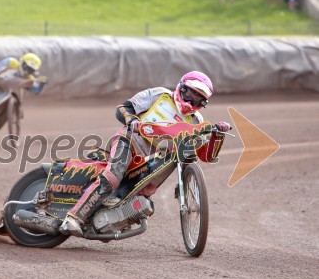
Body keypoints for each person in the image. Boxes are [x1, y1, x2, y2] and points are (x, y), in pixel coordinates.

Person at [59, 71, 231, 236]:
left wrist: (217, 135)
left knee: (145, 199)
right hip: (129, 141)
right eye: (191, 94)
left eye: (198, 98)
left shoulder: (196, 121)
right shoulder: (160, 95)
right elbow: (124, 108)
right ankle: (73, 218)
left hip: (152, 161)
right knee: (113, 175)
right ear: (182, 88)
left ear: (204, 103)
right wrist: (132, 120)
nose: (192, 100)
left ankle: (107, 220)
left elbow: (206, 156)